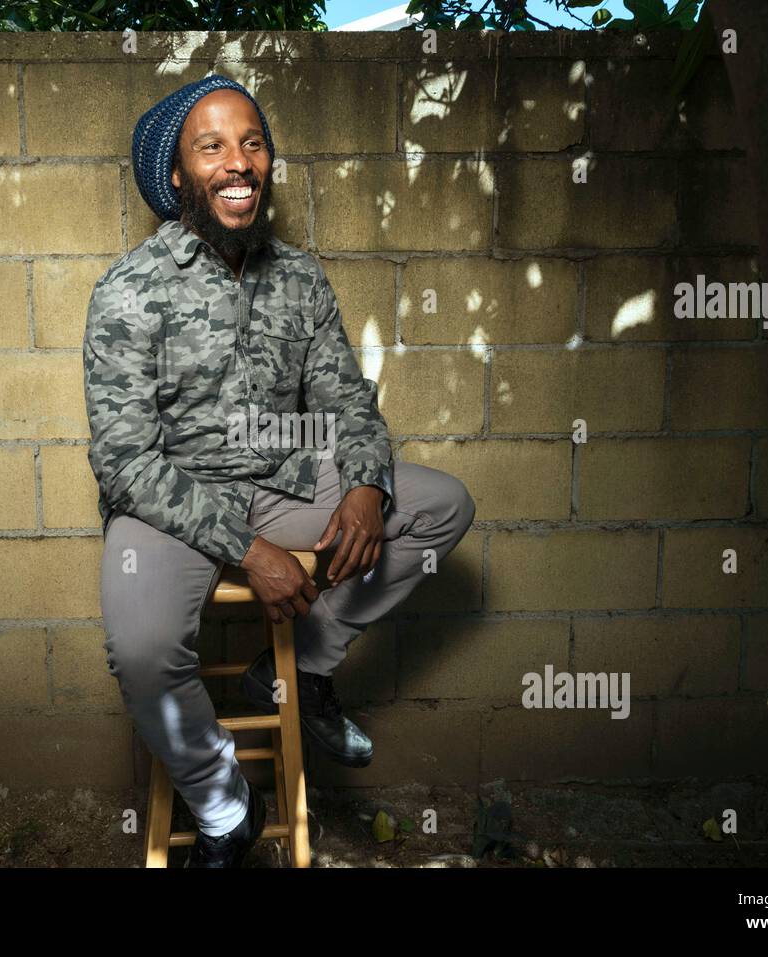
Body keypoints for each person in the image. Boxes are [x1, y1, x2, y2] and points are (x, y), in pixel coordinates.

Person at [84, 74, 476, 867]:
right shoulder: (129, 291)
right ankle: (224, 801)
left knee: (440, 506)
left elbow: (346, 398)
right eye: (214, 146)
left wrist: (367, 485)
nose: (238, 162)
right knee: (144, 645)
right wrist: (247, 549)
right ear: (177, 176)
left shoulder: (298, 277)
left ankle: (296, 671)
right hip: (174, 498)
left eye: (252, 142)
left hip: (285, 480)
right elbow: (125, 460)